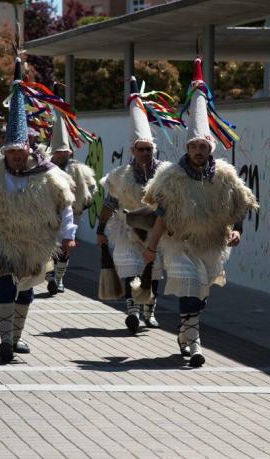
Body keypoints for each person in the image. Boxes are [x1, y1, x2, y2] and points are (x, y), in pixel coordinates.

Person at [0, 56, 77, 362]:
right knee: (4, 287)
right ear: (5, 152)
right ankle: (5, 340)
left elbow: (65, 206)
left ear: (28, 151)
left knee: (26, 292)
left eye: (21, 153)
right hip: (2, 242)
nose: (18, 158)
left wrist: (68, 235)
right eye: (13, 154)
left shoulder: (48, 175)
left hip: (35, 244)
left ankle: (16, 337)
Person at [142, 58, 259, 367]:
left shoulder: (225, 176)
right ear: (187, 147)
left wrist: (236, 231)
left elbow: (240, 208)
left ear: (210, 148)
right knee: (190, 284)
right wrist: (151, 249)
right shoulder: (171, 178)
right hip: (180, 243)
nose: (198, 152)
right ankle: (194, 343)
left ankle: (185, 332)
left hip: (211, 243)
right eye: (194, 146)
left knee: (201, 292)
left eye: (203, 147)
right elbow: (161, 215)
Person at [96, 76, 168, 333]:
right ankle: (133, 311)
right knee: (128, 265)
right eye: (141, 149)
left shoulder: (166, 174)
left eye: (149, 149)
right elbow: (109, 202)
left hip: (156, 229)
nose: (145, 153)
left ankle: (149, 309)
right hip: (127, 228)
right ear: (133, 151)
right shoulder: (119, 176)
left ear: (153, 150)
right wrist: (100, 230)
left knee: (154, 269)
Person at [45, 84, 97, 295]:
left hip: (70, 214)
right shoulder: (45, 168)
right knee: (49, 247)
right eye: (58, 151)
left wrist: (81, 204)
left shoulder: (78, 169)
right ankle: (50, 276)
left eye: (64, 151)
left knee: (65, 248)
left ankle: (59, 277)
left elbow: (89, 190)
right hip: (48, 214)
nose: (61, 154)